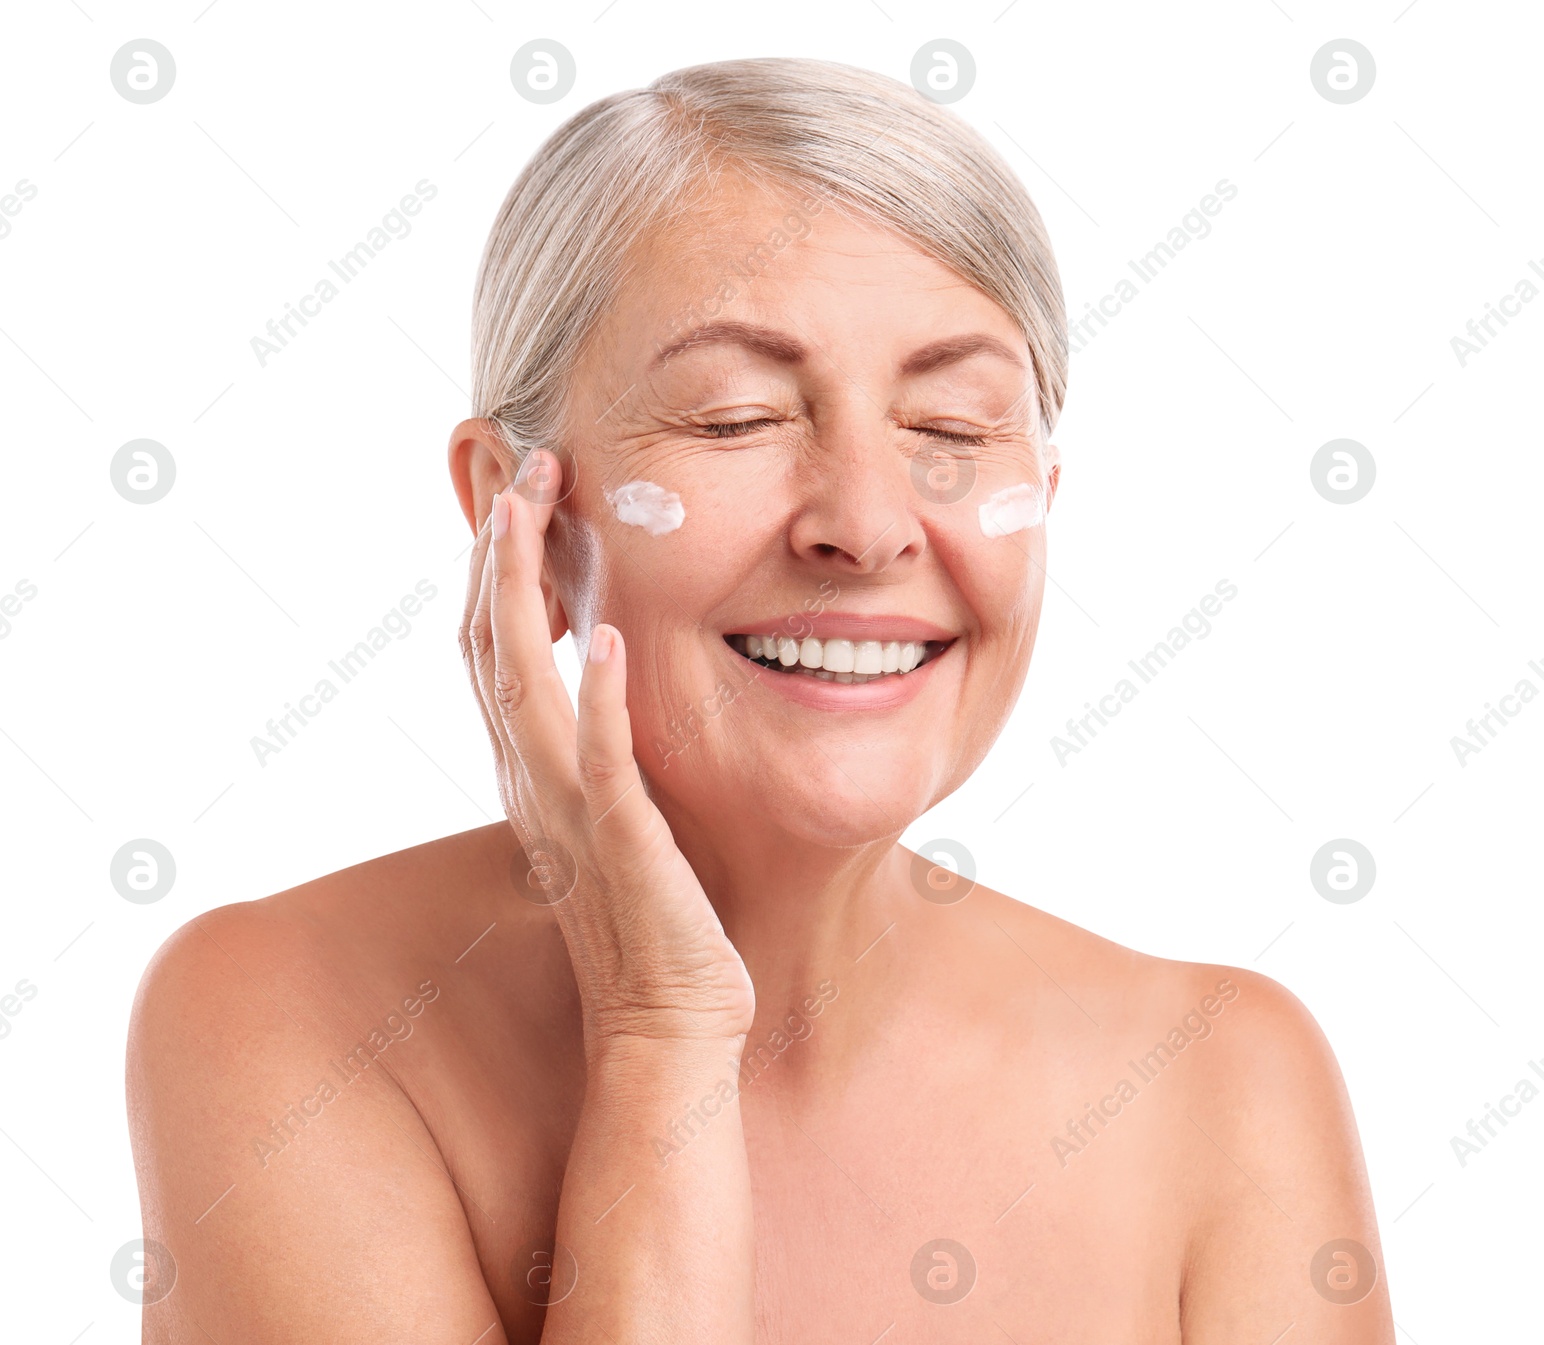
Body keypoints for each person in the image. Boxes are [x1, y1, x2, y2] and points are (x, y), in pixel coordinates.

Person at [127, 57, 1391, 1343]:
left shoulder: (1225, 1082)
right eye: (735, 419)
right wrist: (661, 1034)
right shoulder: (286, 1014)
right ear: (516, 511)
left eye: (952, 425)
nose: (866, 523)